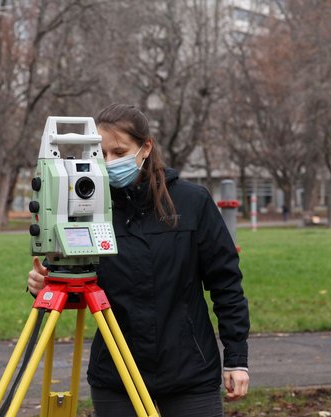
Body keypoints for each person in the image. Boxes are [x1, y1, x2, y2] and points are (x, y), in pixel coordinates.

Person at [27, 103, 249, 417]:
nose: (108, 163)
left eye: (119, 152)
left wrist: (237, 358)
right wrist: (42, 283)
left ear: (145, 148)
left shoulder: (192, 202)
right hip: (116, 374)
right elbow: (78, 286)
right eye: (99, 154)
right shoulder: (85, 209)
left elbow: (226, 284)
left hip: (189, 371)